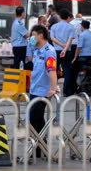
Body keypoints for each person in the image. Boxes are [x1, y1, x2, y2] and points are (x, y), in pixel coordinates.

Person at [29, 25, 57, 157]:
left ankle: (38, 148)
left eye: (33, 35)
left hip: (42, 92)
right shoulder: (37, 50)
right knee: (38, 120)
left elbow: (52, 70)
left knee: (35, 119)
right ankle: (40, 148)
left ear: (41, 35)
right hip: (34, 89)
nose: (31, 38)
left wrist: (53, 89)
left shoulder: (49, 51)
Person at [50, 9, 75, 96]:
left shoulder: (54, 27)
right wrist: (65, 48)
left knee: (53, 70)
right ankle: (66, 92)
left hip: (55, 51)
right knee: (67, 72)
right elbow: (70, 40)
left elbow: (52, 38)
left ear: (59, 17)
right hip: (67, 52)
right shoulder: (71, 27)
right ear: (68, 17)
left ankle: (52, 89)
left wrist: (61, 45)